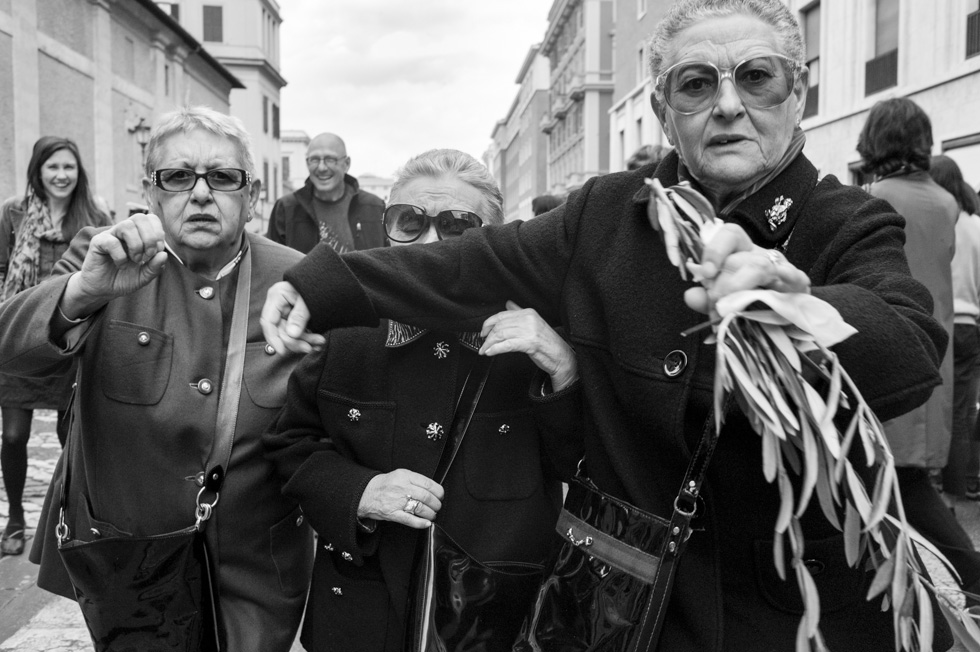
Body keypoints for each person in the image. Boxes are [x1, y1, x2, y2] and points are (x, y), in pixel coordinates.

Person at [260, 1, 952, 649]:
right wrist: (318, 285)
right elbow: (470, 262)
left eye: (757, 78)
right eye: (697, 84)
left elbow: (909, 345)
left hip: (794, 615)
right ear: (662, 107)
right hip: (633, 607)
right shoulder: (607, 216)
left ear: (796, 93)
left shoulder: (846, 220)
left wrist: (795, 310)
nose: (730, 104)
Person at [0, 107, 313, 651]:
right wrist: (84, 293)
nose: (199, 194)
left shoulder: (299, 278)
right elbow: (11, 351)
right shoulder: (103, 256)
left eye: (221, 177)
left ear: (252, 194)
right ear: (152, 191)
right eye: (177, 176)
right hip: (132, 568)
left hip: (256, 572)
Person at [263, 149, 580, 652]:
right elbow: (290, 444)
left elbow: (584, 467)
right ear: (387, 229)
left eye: (458, 226)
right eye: (409, 221)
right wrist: (358, 492)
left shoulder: (540, 336)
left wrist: (563, 367)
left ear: (497, 239)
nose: (432, 243)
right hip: (361, 619)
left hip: (499, 623)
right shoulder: (346, 331)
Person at [856, 100, 980, 599]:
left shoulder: (872, 198)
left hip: (888, 348)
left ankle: (965, 579)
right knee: (904, 479)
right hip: (934, 352)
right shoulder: (944, 202)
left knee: (895, 481)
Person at [0, 136, 112, 556]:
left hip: (69, 340)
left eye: (69, 167)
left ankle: (73, 520)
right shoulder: (12, 213)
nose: (62, 175)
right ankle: (14, 518)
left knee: (73, 438)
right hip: (22, 335)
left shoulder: (94, 215)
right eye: (53, 167)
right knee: (13, 436)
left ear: (78, 171)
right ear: (38, 171)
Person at [930, 155, 980, 501]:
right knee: (964, 407)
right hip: (970, 325)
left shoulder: (933, 220)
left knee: (935, 401)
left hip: (937, 321)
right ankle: (963, 482)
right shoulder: (976, 226)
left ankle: (933, 477)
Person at [266, 132, 385, 254]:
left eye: (330, 160)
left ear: (347, 163)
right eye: (315, 160)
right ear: (307, 163)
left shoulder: (375, 208)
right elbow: (272, 262)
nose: (322, 168)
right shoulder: (286, 209)